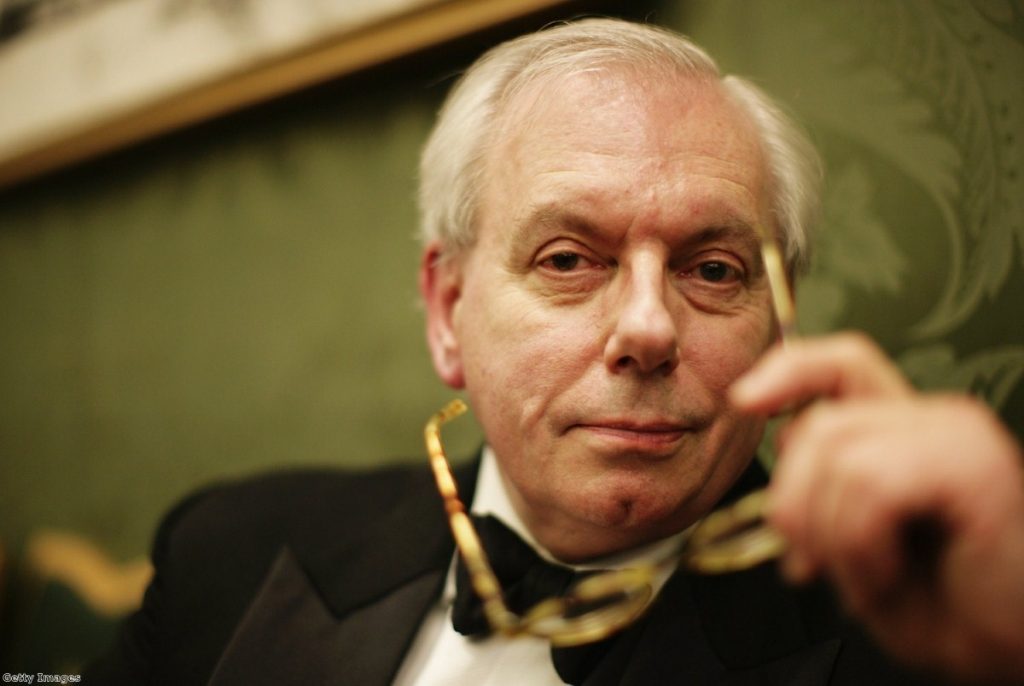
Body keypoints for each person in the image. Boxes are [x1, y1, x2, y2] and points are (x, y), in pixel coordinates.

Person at [86, 18, 1024, 685]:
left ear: (779, 324)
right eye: (569, 258)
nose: (650, 329)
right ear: (448, 311)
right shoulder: (229, 549)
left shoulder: (931, 645)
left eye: (713, 268)